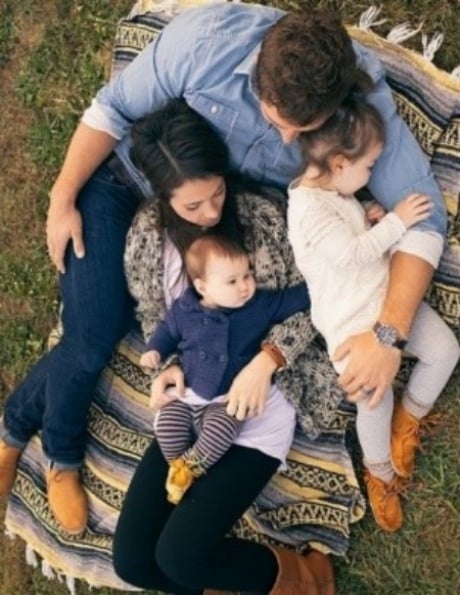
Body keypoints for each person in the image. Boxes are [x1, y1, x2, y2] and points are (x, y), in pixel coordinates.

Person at [0, 3, 446, 535]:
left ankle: (11, 431)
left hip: (207, 215)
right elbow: (113, 107)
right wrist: (63, 193)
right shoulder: (206, 41)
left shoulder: (359, 93)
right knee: (93, 335)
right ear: (259, 74)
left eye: (305, 130)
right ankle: (53, 452)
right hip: (125, 190)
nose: (287, 141)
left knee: (116, 321)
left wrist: (388, 335)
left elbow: (425, 217)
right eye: (280, 120)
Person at [114, 98, 336, 594]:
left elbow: (314, 297)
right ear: (163, 197)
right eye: (192, 206)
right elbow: (156, 316)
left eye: (216, 193)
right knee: (133, 563)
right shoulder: (148, 237)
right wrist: (166, 368)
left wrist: (268, 360)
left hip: (261, 400)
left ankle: (302, 578)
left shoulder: (260, 218)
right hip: (194, 404)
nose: (211, 213)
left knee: (179, 556)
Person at [287, 98, 460, 533]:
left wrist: (366, 217)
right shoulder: (306, 209)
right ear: (341, 164)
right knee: (372, 399)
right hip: (349, 324)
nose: (372, 175)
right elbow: (348, 252)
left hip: (381, 302)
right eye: (370, 167)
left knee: (445, 349)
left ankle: (411, 418)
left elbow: (350, 236)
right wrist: (396, 223)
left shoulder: (331, 190)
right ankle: (379, 472)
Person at [141, 233, 309, 505]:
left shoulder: (259, 306)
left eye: (247, 275)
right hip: (189, 393)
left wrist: (320, 281)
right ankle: (177, 464)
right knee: (168, 427)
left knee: (223, 429)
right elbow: (167, 332)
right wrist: (154, 350)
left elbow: (295, 299)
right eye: (232, 281)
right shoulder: (185, 310)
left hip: (226, 399)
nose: (244, 286)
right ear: (202, 287)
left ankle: (193, 467)